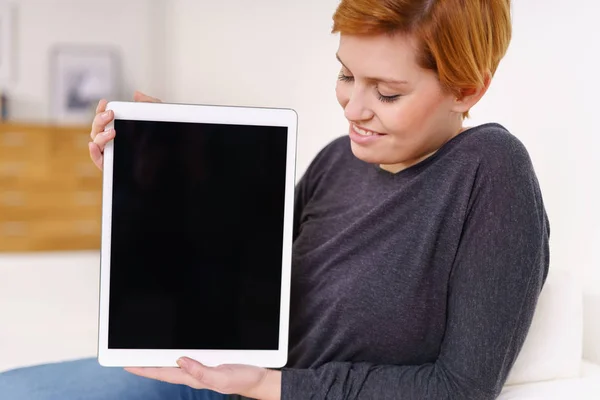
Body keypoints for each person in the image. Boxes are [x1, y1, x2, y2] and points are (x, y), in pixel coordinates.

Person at [0, 0, 550, 399]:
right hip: (218, 379)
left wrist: (274, 386)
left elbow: (459, 389)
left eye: (386, 93)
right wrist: (155, 184)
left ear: (467, 89)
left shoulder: (490, 170)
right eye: (345, 74)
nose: (353, 108)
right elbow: (246, 283)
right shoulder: (341, 158)